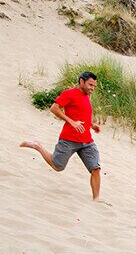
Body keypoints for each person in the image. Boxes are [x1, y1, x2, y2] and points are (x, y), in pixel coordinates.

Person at [19, 71, 104, 201]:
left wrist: (92, 125)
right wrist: (71, 121)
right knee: (57, 166)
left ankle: (96, 200)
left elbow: (82, 113)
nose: (92, 88)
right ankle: (37, 146)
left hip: (87, 141)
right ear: (81, 81)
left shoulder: (87, 96)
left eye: (94, 86)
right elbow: (54, 108)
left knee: (96, 168)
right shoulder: (69, 93)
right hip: (69, 139)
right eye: (90, 85)